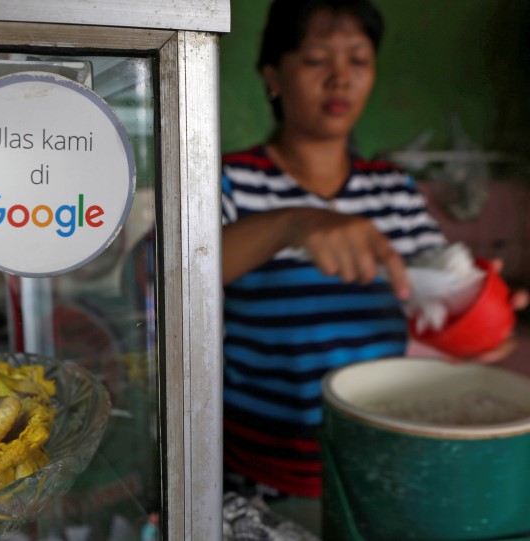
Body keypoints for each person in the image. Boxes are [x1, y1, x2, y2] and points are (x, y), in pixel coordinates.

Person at [221, 0, 527, 519]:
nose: (341, 79)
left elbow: (430, 301)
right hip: (257, 479)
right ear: (274, 76)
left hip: (378, 465)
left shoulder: (394, 192)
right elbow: (165, 278)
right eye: (318, 59)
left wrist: (478, 315)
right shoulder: (230, 182)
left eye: (358, 61)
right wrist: (292, 224)